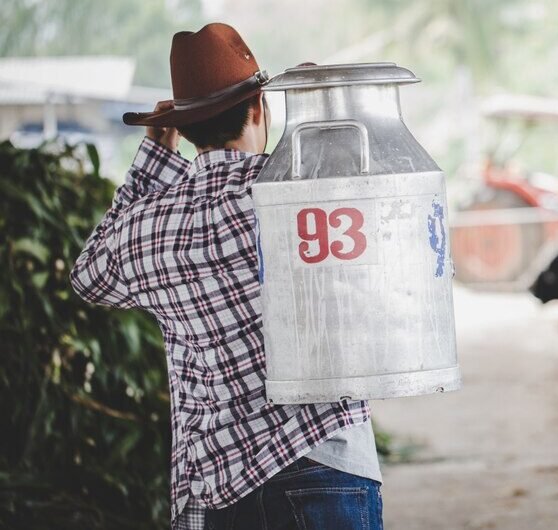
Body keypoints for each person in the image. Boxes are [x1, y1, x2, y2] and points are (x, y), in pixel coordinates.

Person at [71, 23, 383, 530]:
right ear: (259, 107)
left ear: (184, 129)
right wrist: (321, 110)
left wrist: (153, 159)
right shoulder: (298, 193)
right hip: (323, 460)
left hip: (221, 488)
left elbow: (90, 277)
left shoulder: (148, 225)